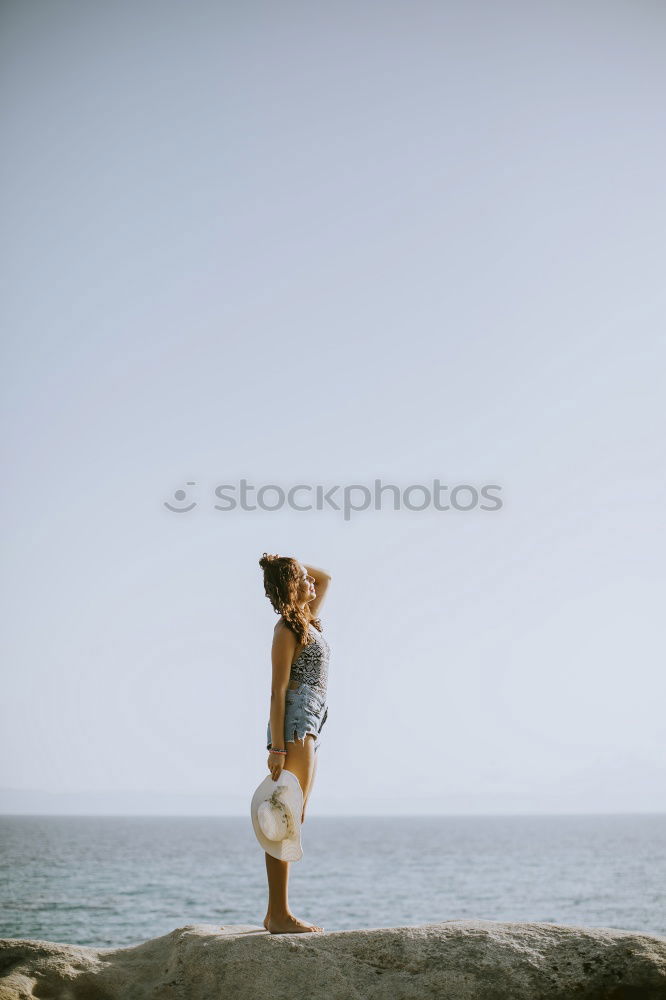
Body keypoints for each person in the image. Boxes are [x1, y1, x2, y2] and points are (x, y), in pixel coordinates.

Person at [258, 553, 331, 934]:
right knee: (284, 812)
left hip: (313, 720)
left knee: (293, 814)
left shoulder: (307, 620)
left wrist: (288, 564)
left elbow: (326, 577)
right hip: (295, 722)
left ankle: (276, 913)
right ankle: (279, 915)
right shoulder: (286, 628)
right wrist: (277, 748)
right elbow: (277, 690)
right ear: (291, 587)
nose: (312, 583)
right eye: (303, 580)